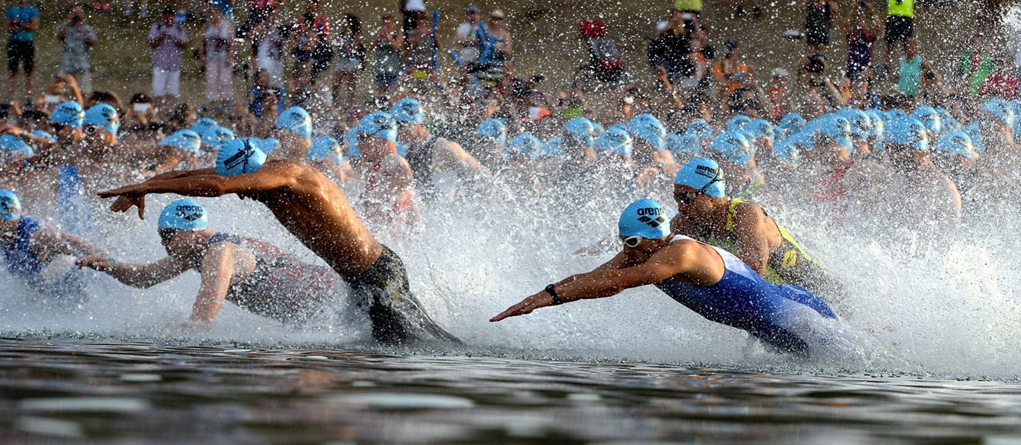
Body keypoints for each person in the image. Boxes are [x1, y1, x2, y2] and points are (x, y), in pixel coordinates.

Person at [97, 139, 459, 346]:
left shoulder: (289, 176)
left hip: (376, 275)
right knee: (373, 352)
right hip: (358, 279)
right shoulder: (265, 173)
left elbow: (219, 187)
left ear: (252, 172)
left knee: (414, 348)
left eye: (246, 186)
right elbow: (199, 175)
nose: (242, 196)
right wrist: (146, 184)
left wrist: (150, 186)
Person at [491, 199, 845, 358]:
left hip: (798, 316)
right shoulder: (642, 250)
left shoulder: (682, 253)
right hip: (768, 328)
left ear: (651, 236)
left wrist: (548, 297)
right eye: (622, 243)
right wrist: (542, 295)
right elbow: (595, 277)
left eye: (630, 242)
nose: (625, 250)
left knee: (856, 362)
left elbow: (617, 284)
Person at [76, 199, 344, 330]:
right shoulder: (195, 253)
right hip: (314, 313)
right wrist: (111, 266)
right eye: (161, 236)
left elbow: (202, 320)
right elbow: (145, 277)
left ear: (191, 230)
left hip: (331, 295)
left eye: (168, 235)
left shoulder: (219, 253)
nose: (163, 243)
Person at [670, 158, 842, 296]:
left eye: (687, 197)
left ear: (711, 196)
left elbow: (754, 267)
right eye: (676, 198)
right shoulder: (687, 221)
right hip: (780, 296)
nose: (680, 206)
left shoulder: (745, 213)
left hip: (821, 290)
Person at [1, 189, 105, 301]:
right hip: (48, 299)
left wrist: (117, 266)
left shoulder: (39, 237)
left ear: (4, 218)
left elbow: (87, 247)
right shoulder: (5, 234)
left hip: (82, 297)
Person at [148, 8, 189, 107]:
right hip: (159, 63)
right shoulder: (157, 28)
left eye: (171, 16)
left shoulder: (179, 29)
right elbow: (151, 43)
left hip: (174, 64)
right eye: (166, 16)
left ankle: (168, 108)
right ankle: (157, 107)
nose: (168, 18)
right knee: (158, 89)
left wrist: (175, 38)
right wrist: (161, 37)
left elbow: (185, 45)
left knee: (172, 89)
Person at [199, 6, 234, 107]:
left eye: (215, 13)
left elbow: (232, 42)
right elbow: (201, 42)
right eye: (211, 14)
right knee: (211, 81)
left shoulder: (226, 26)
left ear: (219, 14)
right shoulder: (207, 27)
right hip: (211, 58)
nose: (213, 16)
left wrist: (230, 56)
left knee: (225, 80)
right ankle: (212, 103)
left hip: (224, 57)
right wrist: (202, 56)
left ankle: (226, 103)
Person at [56, 6, 96, 94]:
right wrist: (69, 24)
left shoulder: (87, 28)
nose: (76, 15)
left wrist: (83, 32)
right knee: (62, 90)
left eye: (78, 13)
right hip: (67, 63)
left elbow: (93, 43)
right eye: (74, 13)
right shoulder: (65, 26)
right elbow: (59, 37)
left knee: (84, 91)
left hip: (82, 63)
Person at [5, 0, 37, 102]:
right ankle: (10, 96)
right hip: (14, 42)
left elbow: (34, 26)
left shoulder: (32, 10)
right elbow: (9, 28)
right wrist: (21, 25)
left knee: (29, 70)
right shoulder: (12, 10)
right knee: (12, 71)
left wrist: (19, 24)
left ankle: (29, 97)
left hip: (27, 42)